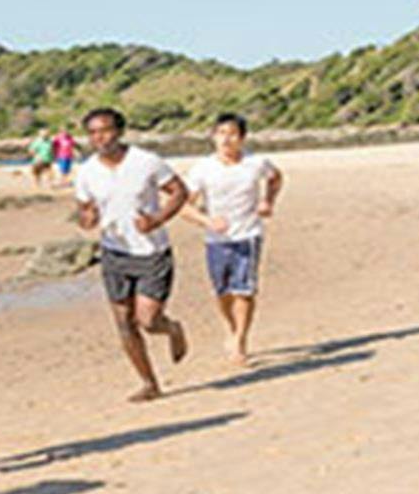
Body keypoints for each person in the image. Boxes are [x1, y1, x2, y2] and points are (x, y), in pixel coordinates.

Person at [74, 107, 216, 402]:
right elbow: (84, 210)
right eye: (93, 132)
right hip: (114, 252)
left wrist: (157, 220)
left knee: (149, 320)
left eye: (106, 130)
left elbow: (178, 191)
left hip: (152, 252)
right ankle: (149, 383)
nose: (100, 137)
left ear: (120, 131)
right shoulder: (87, 171)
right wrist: (86, 219)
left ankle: (173, 329)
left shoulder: (146, 161)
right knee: (124, 322)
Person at [184, 113, 284, 366]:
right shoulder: (202, 169)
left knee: (244, 290)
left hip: (248, 234)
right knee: (223, 292)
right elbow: (183, 206)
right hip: (216, 239)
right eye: (221, 134)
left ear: (242, 138)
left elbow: (276, 178)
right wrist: (208, 221)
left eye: (232, 134)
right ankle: (231, 327)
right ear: (212, 137)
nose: (226, 139)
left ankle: (240, 340)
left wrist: (267, 201)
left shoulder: (256, 162)